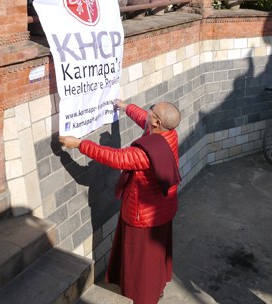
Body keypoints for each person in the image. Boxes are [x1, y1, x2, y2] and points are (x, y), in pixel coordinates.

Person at [59, 100, 182, 304]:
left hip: (143, 216)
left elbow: (115, 158)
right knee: (155, 259)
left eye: (152, 109)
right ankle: (156, 288)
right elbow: (145, 119)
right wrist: (125, 107)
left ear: (157, 122)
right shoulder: (169, 134)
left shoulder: (145, 153)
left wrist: (79, 144)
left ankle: (141, 297)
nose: (148, 111)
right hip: (162, 211)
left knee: (140, 264)